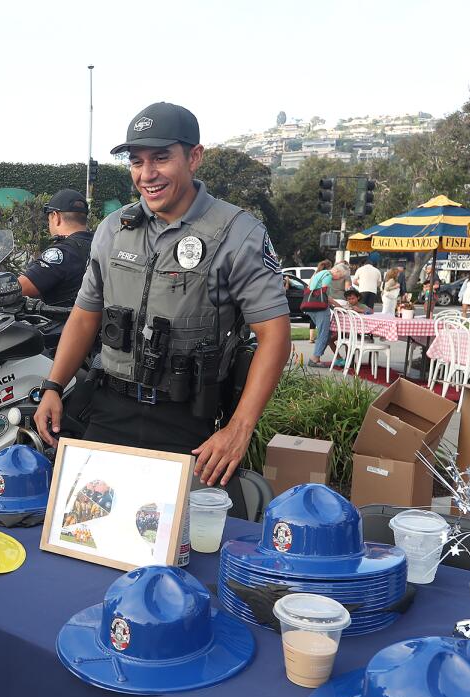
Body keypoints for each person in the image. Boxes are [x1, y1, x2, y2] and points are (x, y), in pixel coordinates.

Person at [33, 102, 290, 487]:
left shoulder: (238, 233)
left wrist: (239, 429)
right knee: (89, 530)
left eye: (161, 158)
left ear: (194, 157)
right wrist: (54, 386)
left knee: (176, 542)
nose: (147, 174)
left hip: (187, 422)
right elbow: (86, 315)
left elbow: (275, 335)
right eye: (137, 162)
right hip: (109, 411)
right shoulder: (113, 229)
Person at [18, 188, 94, 306]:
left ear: (55, 216)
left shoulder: (61, 252)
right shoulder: (97, 244)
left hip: (63, 322)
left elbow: (21, 287)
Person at [306, 260, 335, 368]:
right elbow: (324, 293)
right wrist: (339, 306)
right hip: (320, 308)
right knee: (324, 333)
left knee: (326, 333)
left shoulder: (316, 275)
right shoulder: (327, 274)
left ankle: (316, 357)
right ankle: (315, 359)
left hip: (310, 306)